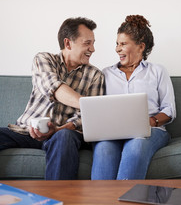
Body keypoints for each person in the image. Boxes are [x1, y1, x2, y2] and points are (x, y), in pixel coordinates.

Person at [0, 17, 105, 180]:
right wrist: (89, 104)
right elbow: (54, 88)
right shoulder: (43, 59)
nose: (93, 49)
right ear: (68, 43)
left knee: (64, 137)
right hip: (28, 131)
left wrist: (59, 129)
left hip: (65, 132)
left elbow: (86, 118)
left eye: (93, 43)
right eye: (87, 43)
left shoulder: (95, 75)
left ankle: (57, 200)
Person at [91, 15, 176, 180]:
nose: (117, 49)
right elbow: (96, 108)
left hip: (150, 130)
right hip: (113, 132)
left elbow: (169, 109)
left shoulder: (157, 71)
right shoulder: (105, 74)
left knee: (137, 144)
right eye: (117, 44)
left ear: (141, 47)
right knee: (103, 149)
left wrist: (150, 122)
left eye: (123, 44)